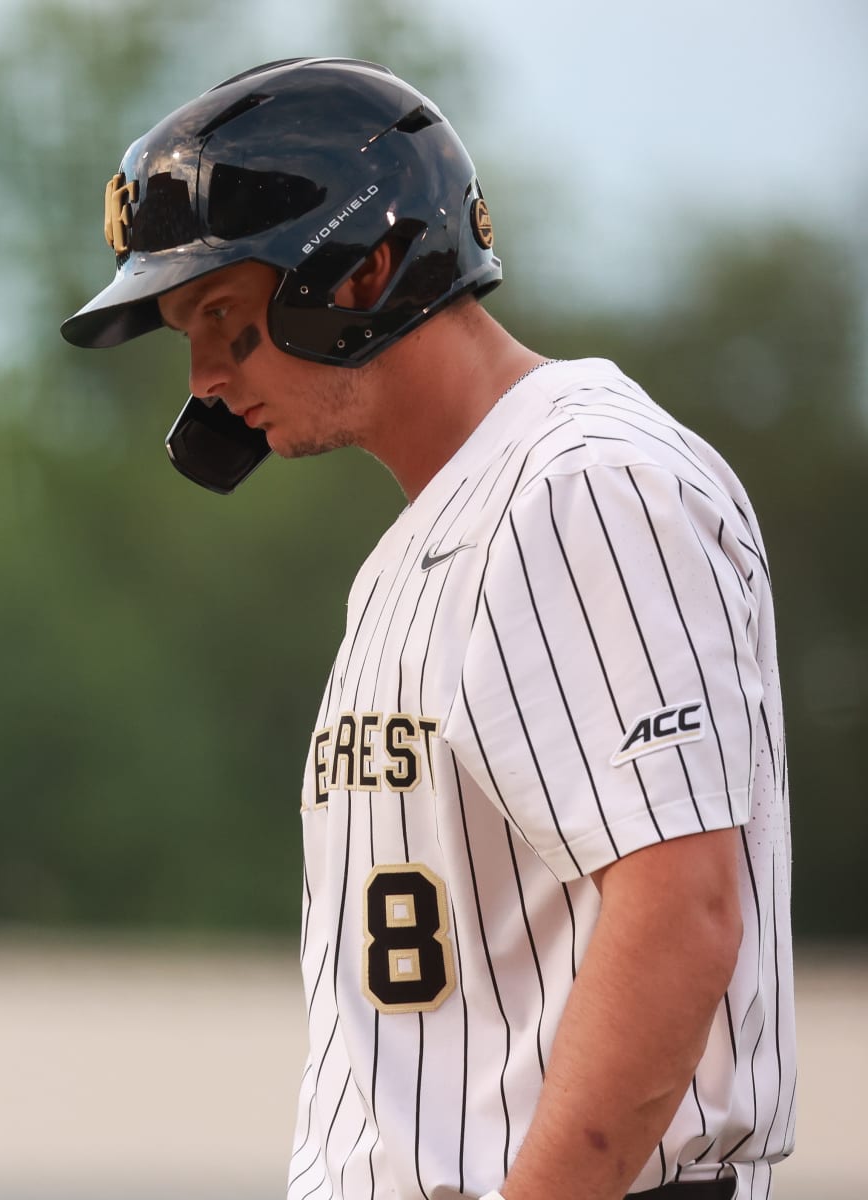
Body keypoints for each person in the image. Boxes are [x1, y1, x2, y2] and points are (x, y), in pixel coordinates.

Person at [60, 58, 794, 1200]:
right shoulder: (439, 531)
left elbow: (683, 915)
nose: (202, 377)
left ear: (361, 274)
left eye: (221, 317)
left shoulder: (588, 485)